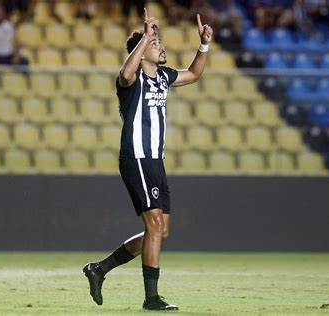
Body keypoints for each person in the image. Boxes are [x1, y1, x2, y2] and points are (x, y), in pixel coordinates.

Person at [83, 8, 213, 311]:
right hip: (136, 156)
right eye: (155, 44)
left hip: (156, 160)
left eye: (159, 42)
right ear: (142, 54)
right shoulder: (131, 80)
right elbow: (126, 73)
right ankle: (151, 298)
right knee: (155, 225)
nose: (161, 46)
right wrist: (145, 36)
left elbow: (193, 74)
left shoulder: (164, 77)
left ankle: (99, 269)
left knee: (160, 231)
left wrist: (204, 44)